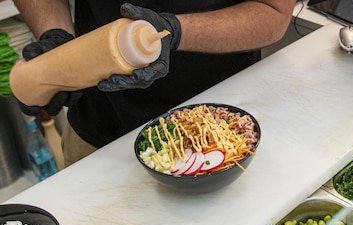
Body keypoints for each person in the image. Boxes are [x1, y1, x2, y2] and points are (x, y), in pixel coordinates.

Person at [13, 0, 296, 166]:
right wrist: (54, 33)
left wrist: (174, 32)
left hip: (225, 135)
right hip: (99, 132)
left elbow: (272, 10)